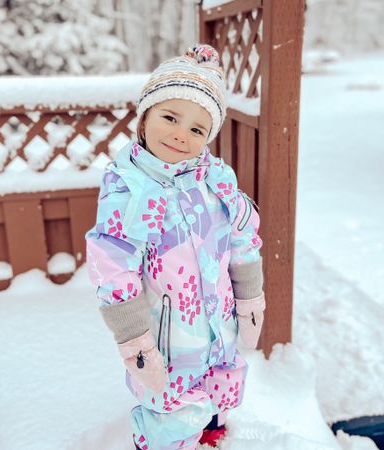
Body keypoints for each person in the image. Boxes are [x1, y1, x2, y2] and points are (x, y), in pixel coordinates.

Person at [85, 44, 266, 450]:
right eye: (170, 117)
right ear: (144, 119)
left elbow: (243, 235)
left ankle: (211, 429)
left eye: (198, 129)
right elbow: (112, 267)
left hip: (219, 319)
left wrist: (250, 298)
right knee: (170, 404)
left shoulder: (215, 179)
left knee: (219, 378)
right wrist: (135, 341)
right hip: (168, 333)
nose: (182, 135)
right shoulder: (131, 189)